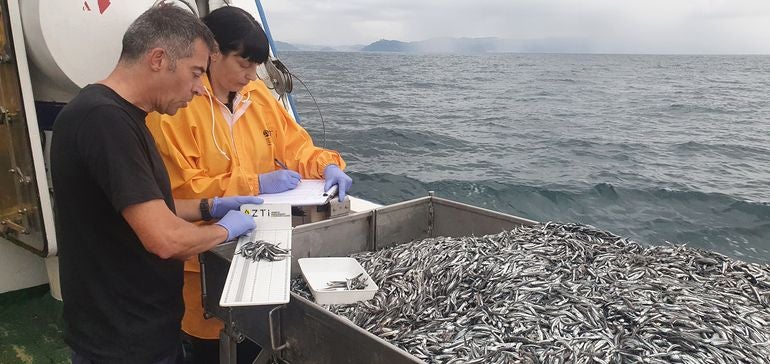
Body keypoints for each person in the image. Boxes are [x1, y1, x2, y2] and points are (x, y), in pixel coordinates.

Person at [50, 5, 263, 364]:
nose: (199, 89)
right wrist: (225, 232)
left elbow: (144, 207)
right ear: (159, 59)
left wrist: (209, 207)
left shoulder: (121, 115)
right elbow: (165, 239)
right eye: (196, 73)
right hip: (121, 342)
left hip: (142, 330)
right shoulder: (104, 122)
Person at [145, 5, 353, 363]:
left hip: (260, 246)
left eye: (256, 65)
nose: (252, 75)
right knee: (209, 345)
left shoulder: (258, 97)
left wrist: (328, 165)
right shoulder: (175, 109)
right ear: (211, 54)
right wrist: (254, 182)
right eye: (243, 64)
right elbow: (179, 193)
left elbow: (297, 147)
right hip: (202, 262)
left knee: (256, 337)